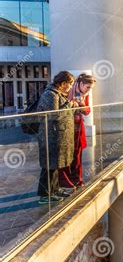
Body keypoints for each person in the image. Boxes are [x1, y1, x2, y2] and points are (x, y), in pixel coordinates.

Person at [36, 71, 77, 204]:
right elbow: (54, 115)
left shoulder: (57, 94)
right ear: (63, 83)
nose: (70, 87)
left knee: (55, 165)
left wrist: (70, 105)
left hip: (56, 135)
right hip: (51, 136)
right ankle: (45, 195)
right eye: (69, 84)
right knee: (49, 165)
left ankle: (54, 190)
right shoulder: (50, 95)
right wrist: (69, 105)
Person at [58, 73, 96, 190]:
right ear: (80, 84)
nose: (89, 90)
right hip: (66, 127)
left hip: (78, 126)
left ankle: (77, 180)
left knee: (77, 154)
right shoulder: (67, 91)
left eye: (91, 88)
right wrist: (73, 104)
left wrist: (81, 105)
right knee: (66, 154)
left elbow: (87, 111)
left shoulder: (85, 95)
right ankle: (65, 181)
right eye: (88, 87)